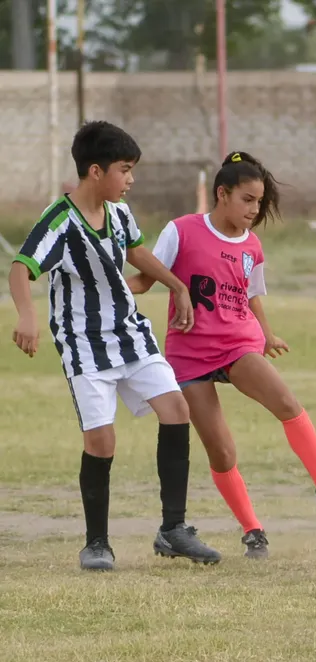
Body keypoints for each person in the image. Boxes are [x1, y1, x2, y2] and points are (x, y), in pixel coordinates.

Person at [128, 151, 316, 559]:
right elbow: (144, 280)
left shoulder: (252, 245)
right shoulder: (181, 230)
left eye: (259, 202)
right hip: (189, 353)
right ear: (222, 194)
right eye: (247, 199)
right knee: (222, 452)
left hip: (237, 343)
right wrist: (106, 286)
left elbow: (252, 293)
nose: (255, 209)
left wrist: (267, 333)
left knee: (287, 403)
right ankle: (252, 530)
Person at [8, 120, 220, 570]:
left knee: (176, 408)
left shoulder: (120, 213)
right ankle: (97, 544)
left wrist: (176, 285)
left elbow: (136, 252)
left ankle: (174, 529)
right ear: (96, 171)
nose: (131, 179)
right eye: (125, 170)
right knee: (102, 441)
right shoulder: (60, 220)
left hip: (129, 333)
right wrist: (27, 315)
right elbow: (21, 268)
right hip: (84, 343)